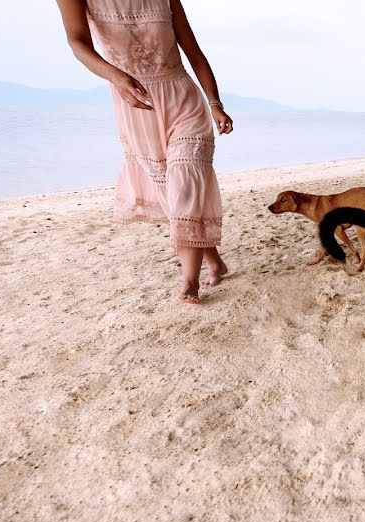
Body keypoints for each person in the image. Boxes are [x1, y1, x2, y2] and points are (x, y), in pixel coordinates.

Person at [56, 0, 233, 303]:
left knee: (186, 183)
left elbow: (194, 52)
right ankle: (214, 262)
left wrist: (215, 104)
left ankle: (190, 282)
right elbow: (77, 42)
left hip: (183, 101)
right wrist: (115, 76)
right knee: (173, 197)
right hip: (137, 106)